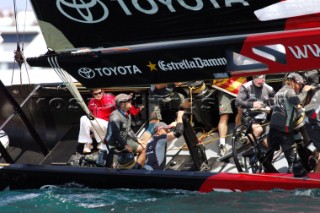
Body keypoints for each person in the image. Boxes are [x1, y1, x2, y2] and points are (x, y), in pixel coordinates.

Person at [268, 73, 314, 173]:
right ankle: (291, 181)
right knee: (292, 161)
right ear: (293, 81)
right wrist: (305, 92)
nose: (300, 87)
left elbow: (286, 107)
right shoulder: (289, 91)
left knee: (268, 156)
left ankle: (264, 172)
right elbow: (295, 100)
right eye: (300, 84)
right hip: (284, 129)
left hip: (273, 128)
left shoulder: (279, 91)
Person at [104, 93, 146, 168]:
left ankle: (137, 169)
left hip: (123, 140)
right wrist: (125, 145)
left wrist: (137, 139)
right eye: (129, 101)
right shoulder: (115, 118)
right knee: (113, 168)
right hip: (114, 145)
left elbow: (129, 130)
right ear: (122, 104)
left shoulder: (127, 114)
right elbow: (115, 135)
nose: (131, 102)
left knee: (144, 149)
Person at [235, 75, 275, 147]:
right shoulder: (246, 87)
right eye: (258, 81)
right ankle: (244, 142)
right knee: (258, 130)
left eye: (262, 81)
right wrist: (252, 104)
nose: (261, 83)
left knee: (268, 146)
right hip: (249, 116)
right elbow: (238, 102)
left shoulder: (269, 88)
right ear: (253, 78)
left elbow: (276, 103)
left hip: (263, 118)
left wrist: (270, 108)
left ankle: (255, 146)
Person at [78, 88, 115, 154]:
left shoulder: (111, 98)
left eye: (99, 92)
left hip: (109, 125)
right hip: (97, 123)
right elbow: (90, 116)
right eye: (95, 94)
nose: (98, 95)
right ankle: (88, 143)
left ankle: (101, 141)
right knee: (83, 118)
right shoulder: (91, 102)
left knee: (93, 120)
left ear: (102, 91)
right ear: (92, 94)